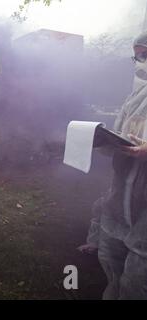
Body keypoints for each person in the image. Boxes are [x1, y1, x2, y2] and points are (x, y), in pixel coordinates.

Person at [85, 31, 147, 299]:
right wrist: (102, 141)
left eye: (145, 53)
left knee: (137, 282)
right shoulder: (136, 97)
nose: (141, 61)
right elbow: (119, 134)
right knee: (111, 264)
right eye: (138, 56)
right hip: (120, 196)